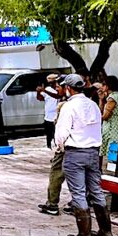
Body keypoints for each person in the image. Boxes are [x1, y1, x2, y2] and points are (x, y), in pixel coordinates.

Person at [55, 74, 113, 236]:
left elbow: (61, 133)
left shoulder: (69, 106)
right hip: (93, 153)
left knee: (79, 192)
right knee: (96, 190)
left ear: (68, 88)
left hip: (75, 153)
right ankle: (106, 231)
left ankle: (84, 234)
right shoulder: (93, 105)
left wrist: (59, 147)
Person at [36, 76, 68, 216]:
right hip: (85, 147)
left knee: (56, 173)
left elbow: (62, 129)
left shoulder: (65, 105)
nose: (56, 88)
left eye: (58, 86)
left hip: (67, 146)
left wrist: (59, 147)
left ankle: (52, 204)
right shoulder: (88, 103)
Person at [36, 74, 63, 149]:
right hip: (48, 116)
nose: (51, 84)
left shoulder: (60, 89)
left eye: (53, 82)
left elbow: (58, 96)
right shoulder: (48, 89)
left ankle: (57, 147)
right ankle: (49, 146)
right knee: (49, 134)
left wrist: (44, 90)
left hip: (57, 116)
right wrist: (38, 92)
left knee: (56, 134)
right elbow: (40, 98)